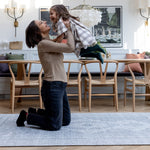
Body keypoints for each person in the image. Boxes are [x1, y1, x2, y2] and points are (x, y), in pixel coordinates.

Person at [16, 19, 75, 130]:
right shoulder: (43, 44)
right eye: (40, 23)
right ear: (37, 31)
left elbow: (58, 40)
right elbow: (70, 47)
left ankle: (34, 112)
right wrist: (69, 29)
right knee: (54, 125)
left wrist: (64, 28)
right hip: (52, 86)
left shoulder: (50, 42)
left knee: (65, 120)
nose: (44, 21)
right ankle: (26, 116)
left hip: (60, 84)